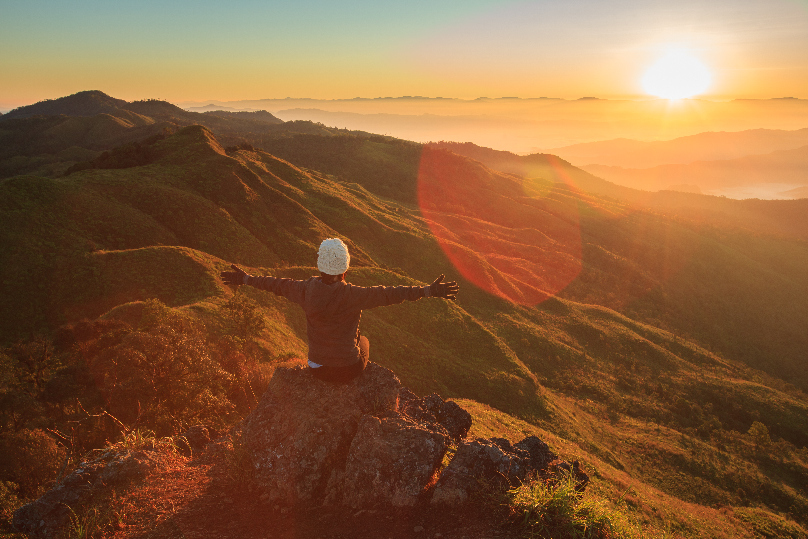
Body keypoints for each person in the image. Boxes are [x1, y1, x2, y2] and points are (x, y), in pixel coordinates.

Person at [220, 238, 459, 384]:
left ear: (320, 267)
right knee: (363, 340)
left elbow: (275, 284)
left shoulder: (303, 289)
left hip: (316, 369)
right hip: (347, 371)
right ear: (345, 270)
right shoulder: (353, 295)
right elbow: (390, 293)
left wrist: (246, 279)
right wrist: (428, 291)